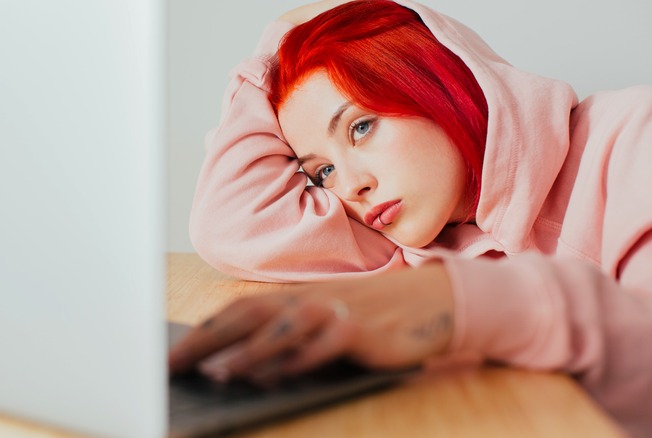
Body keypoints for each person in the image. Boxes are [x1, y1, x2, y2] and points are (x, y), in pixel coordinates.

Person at [168, 0, 652, 436]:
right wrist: (276, 49)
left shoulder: (634, 136)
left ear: (434, 81)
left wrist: (455, 301)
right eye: (323, 172)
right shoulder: (408, 244)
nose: (350, 186)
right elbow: (229, 223)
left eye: (360, 126)